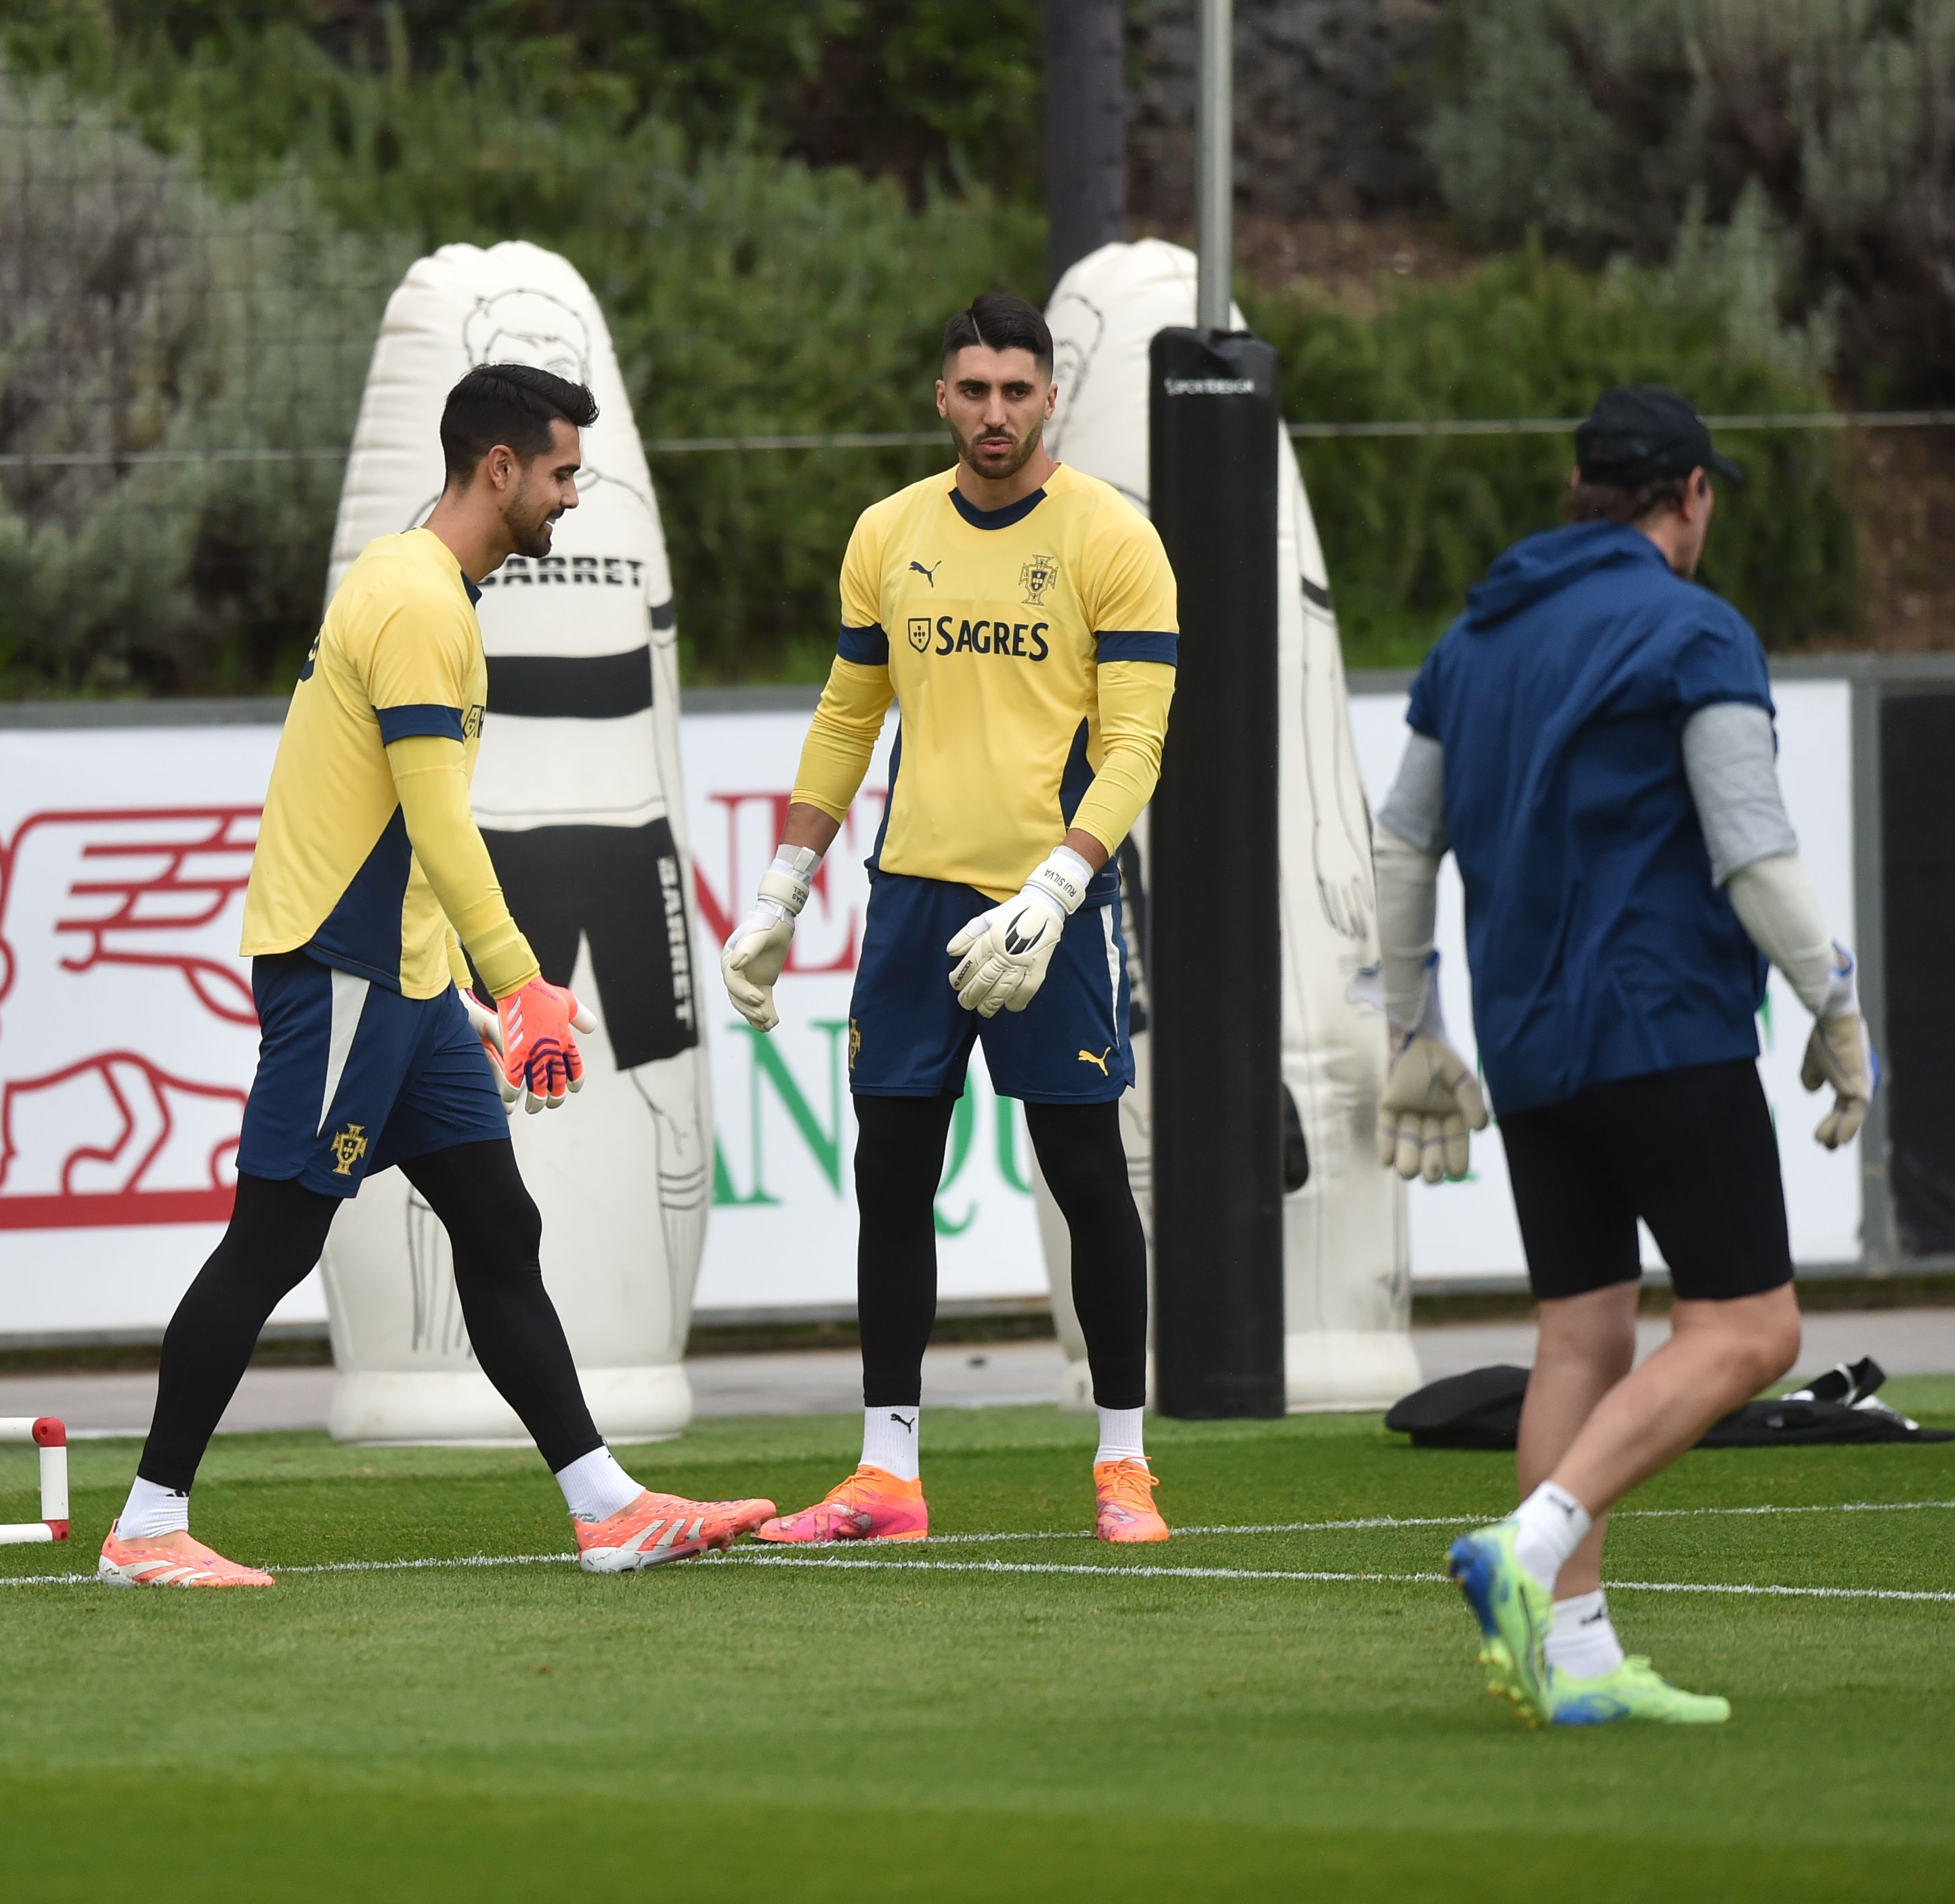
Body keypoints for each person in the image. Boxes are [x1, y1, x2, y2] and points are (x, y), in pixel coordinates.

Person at [98, 363, 776, 1588]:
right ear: (501, 469)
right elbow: (440, 823)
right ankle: (147, 1527)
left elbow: (405, 831)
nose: (574, 497)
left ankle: (606, 1505)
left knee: (497, 1224)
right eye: (563, 473)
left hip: (400, 984)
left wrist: (451, 989)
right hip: (346, 976)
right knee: (271, 1242)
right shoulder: (417, 603)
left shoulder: (428, 588)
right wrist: (520, 983)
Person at [1374, 385, 1872, 1726]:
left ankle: (1569, 1656)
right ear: (1691, 495)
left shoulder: (1471, 637)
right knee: (1753, 1325)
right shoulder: (1691, 629)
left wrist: (1411, 1026)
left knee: (1581, 1336)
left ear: (1576, 483)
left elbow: (1399, 839)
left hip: (1530, 1043)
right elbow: (1751, 846)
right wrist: (1832, 1002)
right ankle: (1527, 1549)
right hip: (1660, 1024)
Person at [721, 293, 1178, 1547]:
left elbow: (1136, 745)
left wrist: (1062, 882)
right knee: (891, 1176)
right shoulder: (888, 533)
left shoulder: (1114, 540)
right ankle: (886, 1477)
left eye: (1016, 391)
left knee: (1087, 1174)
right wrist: (782, 888)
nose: (994, 414)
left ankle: (1125, 1466)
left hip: (1055, 905)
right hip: (915, 899)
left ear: (1049, 398)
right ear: (941, 397)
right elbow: (846, 717)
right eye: (972, 391)